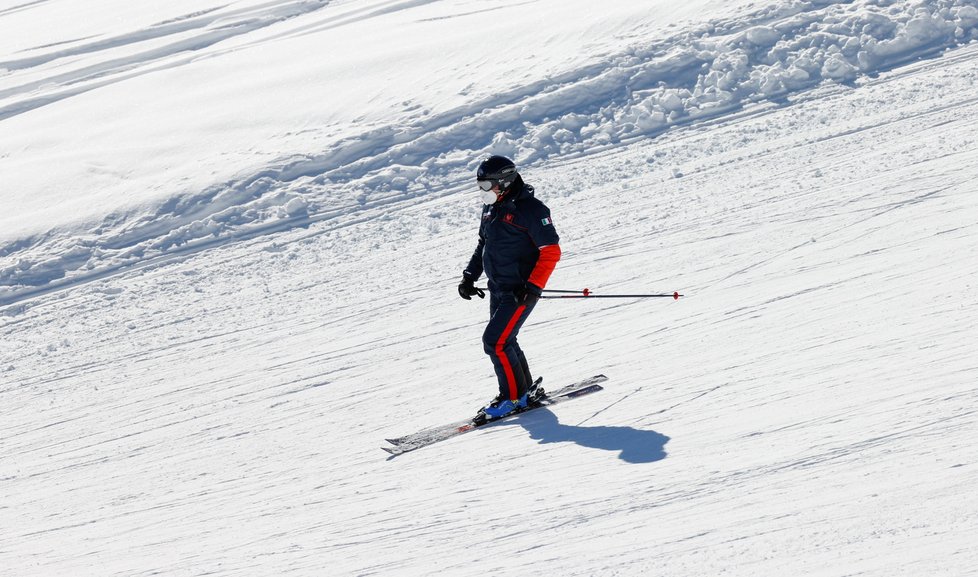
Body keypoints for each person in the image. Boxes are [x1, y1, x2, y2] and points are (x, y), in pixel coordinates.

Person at [458, 155, 561, 421]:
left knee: (495, 341)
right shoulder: (491, 208)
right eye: (480, 185)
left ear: (504, 182)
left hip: (520, 292)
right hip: (498, 288)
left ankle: (512, 398)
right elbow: (484, 243)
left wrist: (532, 287)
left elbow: (550, 251)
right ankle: (522, 391)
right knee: (506, 340)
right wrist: (470, 276)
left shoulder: (531, 210)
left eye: (487, 185)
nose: (482, 191)